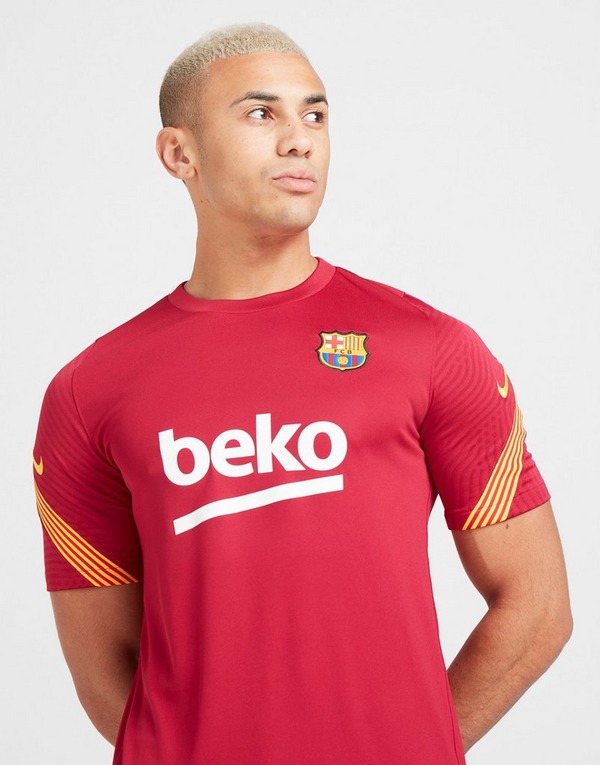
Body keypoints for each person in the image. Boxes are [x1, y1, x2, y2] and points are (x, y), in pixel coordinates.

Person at [33, 23, 572, 765]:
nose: (300, 140)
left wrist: (413, 747)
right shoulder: (88, 392)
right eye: (262, 113)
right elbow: (105, 669)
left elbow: (537, 606)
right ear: (179, 153)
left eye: (315, 115)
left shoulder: (431, 349)